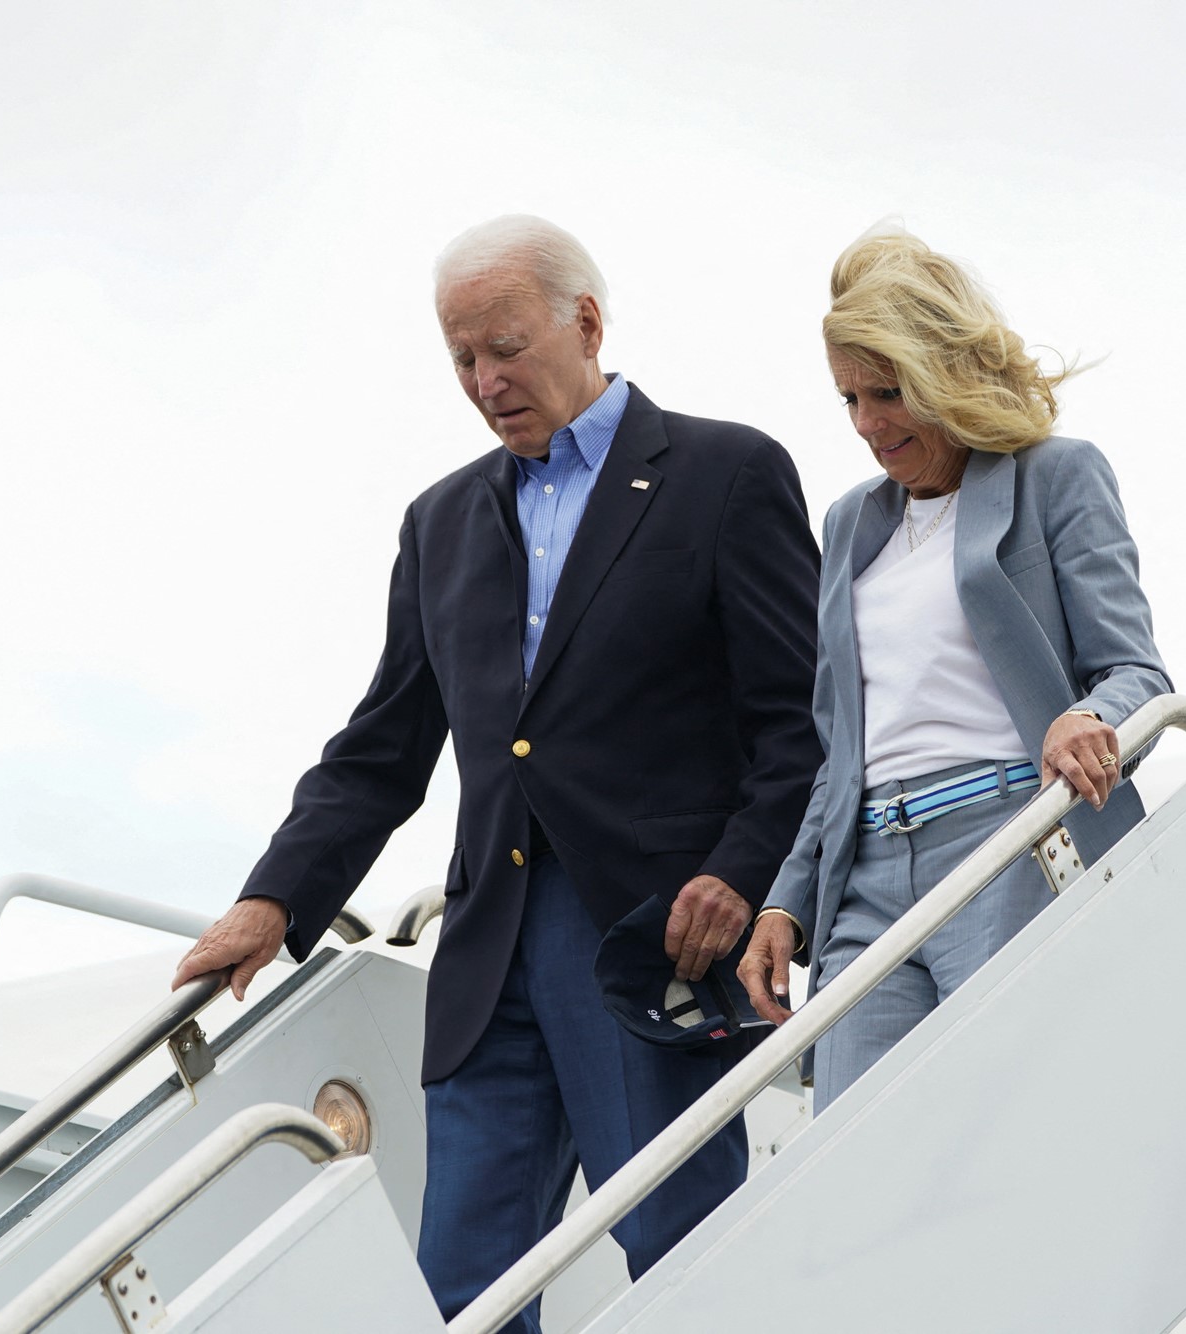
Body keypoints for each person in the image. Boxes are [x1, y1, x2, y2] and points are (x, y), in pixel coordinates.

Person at [171, 215, 822, 1325]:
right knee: (464, 1287)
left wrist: (744, 871)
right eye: (461, 358)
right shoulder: (437, 524)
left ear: (585, 321)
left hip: (649, 939)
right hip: (487, 955)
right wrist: (272, 900)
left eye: (505, 347)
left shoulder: (726, 472)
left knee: (679, 1252)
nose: (484, 380)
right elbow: (381, 748)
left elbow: (797, 719)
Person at [736, 230, 1169, 1111]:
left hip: (1005, 843)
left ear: (945, 372)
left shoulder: (1058, 475)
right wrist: (785, 901)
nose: (867, 423)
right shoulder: (851, 524)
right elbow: (841, 751)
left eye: (889, 393)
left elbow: (1136, 674)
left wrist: (1085, 720)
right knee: (854, 1153)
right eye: (849, 398)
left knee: (1008, 1124)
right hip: (862, 882)